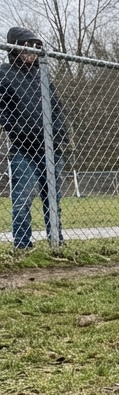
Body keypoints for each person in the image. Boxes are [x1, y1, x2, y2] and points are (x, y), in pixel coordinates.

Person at [1, 27, 66, 250]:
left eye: (36, 47)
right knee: (22, 199)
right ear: (15, 48)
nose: (32, 52)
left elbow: (55, 108)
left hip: (50, 149)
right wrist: (17, 129)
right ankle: (22, 246)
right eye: (27, 46)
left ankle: (56, 243)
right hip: (23, 148)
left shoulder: (42, 74)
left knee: (53, 200)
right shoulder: (4, 73)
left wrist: (58, 135)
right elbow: (3, 110)